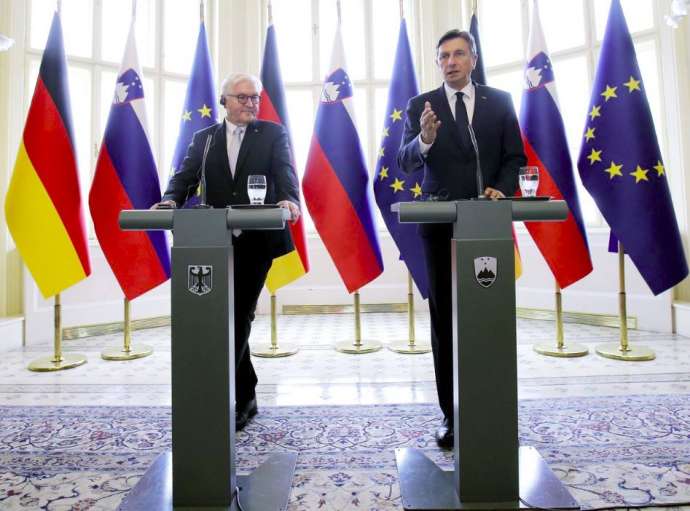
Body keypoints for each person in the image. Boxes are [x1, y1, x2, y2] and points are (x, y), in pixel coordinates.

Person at [397, 30, 526, 449]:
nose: (451, 62)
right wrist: (426, 139)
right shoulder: (422, 106)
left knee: (488, 313)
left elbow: (514, 158)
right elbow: (403, 161)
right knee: (445, 318)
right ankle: (451, 415)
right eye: (443, 56)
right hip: (440, 225)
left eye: (458, 54)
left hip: (487, 225)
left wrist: (502, 189)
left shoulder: (500, 101)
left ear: (473, 58)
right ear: (437, 63)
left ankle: (492, 406)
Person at [153, 73, 301, 431]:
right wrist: (171, 199)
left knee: (238, 316)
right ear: (225, 102)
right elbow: (185, 177)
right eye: (243, 97)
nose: (252, 103)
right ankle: (246, 394)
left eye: (255, 97)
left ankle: (224, 396)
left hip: (258, 241)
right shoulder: (204, 140)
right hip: (214, 242)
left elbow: (285, 173)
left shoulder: (272, 134)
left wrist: (289, 199)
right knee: (224, 316)